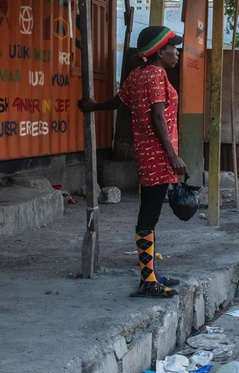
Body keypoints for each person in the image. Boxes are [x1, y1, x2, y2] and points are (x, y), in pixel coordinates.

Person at [78, 26, 187, 298]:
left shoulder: (137, 75)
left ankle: (150, 274)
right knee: (147, 219)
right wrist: (172, 155)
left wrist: (94, 106)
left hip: (146, 154)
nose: (177, 52)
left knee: (149, 217)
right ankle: (148, 281)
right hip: (158, 156)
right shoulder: (156, 74)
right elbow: (158, 117)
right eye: (173, 47)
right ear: (161, 51)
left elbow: (118, 101)